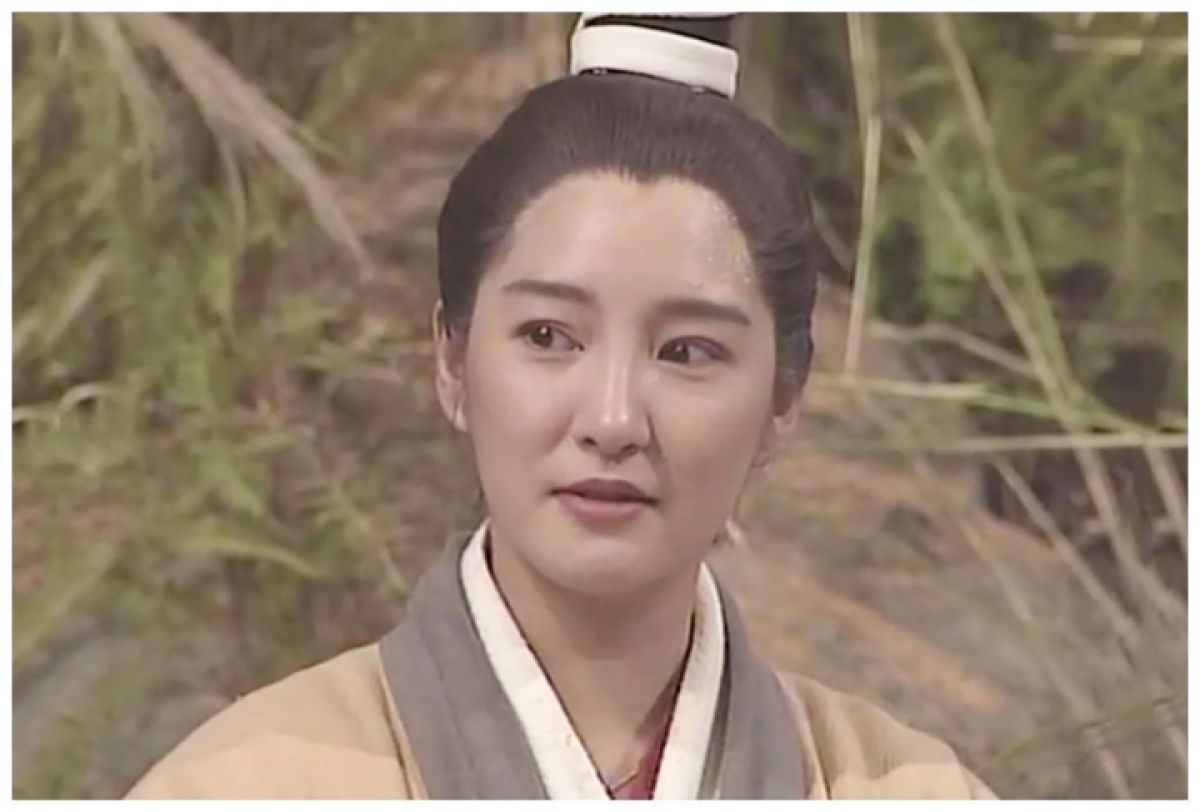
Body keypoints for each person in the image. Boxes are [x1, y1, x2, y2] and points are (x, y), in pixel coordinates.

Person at [127, 13, 995, 800]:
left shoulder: (908, 789)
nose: (612, 421)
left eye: (687, 352)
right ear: (453, 363)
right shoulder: (242, 783)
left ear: (783, 401)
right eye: (548, 336)